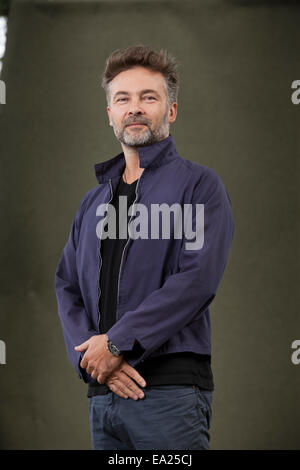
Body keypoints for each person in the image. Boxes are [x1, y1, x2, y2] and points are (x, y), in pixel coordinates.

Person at [54, 44, 234, 450]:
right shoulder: (92, 203)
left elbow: (198, 278)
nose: (134, 108)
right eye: (123, 99)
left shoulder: (199, 186)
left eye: (148, 97)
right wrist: (94, 360)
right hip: (103, 396)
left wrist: (117, 344)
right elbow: (66, 285)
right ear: (110, 116)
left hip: (170, 392)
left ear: (170, 111)